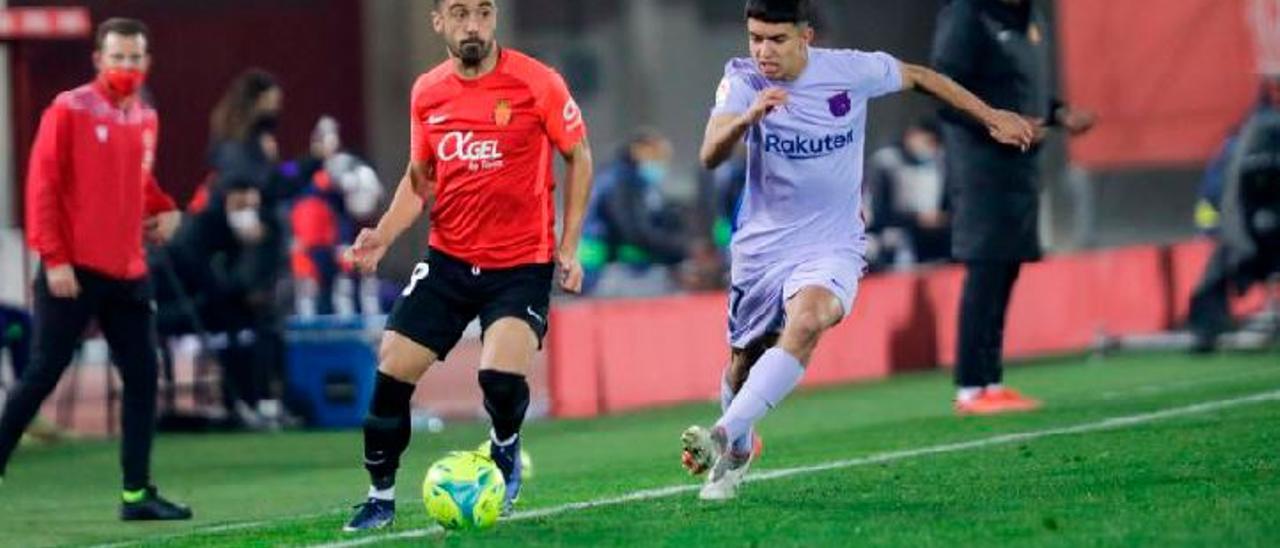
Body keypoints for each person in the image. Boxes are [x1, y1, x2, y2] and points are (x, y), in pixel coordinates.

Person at [681, 0, 1032, 501]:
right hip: (762, 248)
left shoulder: (851, 70)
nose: (763, 51)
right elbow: (710, 153)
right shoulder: (742, 81)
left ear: (806, 37)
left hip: (833, 241)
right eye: (755, 38)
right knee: (743, 360)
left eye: (776, 39)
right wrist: (748, 119)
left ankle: (720, 435)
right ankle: (737, 446)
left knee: (809, 319)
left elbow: (920, 76)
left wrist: (990, 114)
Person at [340, 0, 593, 531]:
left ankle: (504, 444)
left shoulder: (537, 83)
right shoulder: (427, 92)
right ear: (439, 22)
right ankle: (379, 497)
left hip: (521, 264)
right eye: (459, 13)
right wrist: (383, 236)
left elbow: (579, 154)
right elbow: (419, 181)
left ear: (495, 17)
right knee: (390, 368)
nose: (472, 25)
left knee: (498, 377)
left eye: (482, 12)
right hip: (449, 261)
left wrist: (567, 246)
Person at [0, 18, 192, 520]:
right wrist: (55, 259)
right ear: (98, 60)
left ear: (146, 62)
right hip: (74, 271)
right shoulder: (69, 109)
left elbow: (139, 181)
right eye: (117, 57)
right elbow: (41, 187)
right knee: (42, 372)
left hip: (129, 271)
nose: (126, 67)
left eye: (134, 58)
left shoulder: (145, 117)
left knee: (143, 376)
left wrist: (166, 207)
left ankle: (137, 494)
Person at [932, 0, 1094, 414]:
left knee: (1006, 270)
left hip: (1022, 170)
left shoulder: (1030, 17)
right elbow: (944, 91)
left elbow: (1021, 86)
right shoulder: (967, 15)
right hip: (981, 170)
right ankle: (970, 387)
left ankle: (992, 382)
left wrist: (1058, 113)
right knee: (985, 270)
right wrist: (995, 122)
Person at [1188, 76, 1280, 352]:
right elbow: (1215, 196)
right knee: (1216, 270)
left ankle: (1206, 328)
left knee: (1219, 266)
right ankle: (1206, 329)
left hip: (1255, 234)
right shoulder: (1235, 151)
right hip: (1245, 235)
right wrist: (1215, 229)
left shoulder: (1240, 146)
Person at [581, 129, 689, 296]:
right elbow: (634, 232)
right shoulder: (619, 183)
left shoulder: (635, 182)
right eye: (656, 155)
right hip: (607, 273)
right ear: (638, 150)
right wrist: (678, 250)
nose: (661, 163)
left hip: (621, 270)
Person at [865, 119, 950, 271]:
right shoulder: (885, 162)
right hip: (887, 238)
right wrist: (917, 218)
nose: (930, 148)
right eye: (927, 142)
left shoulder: (938, 164)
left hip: (927, 240)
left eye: (934, 144)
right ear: (912, 136)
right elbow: (876, 211)